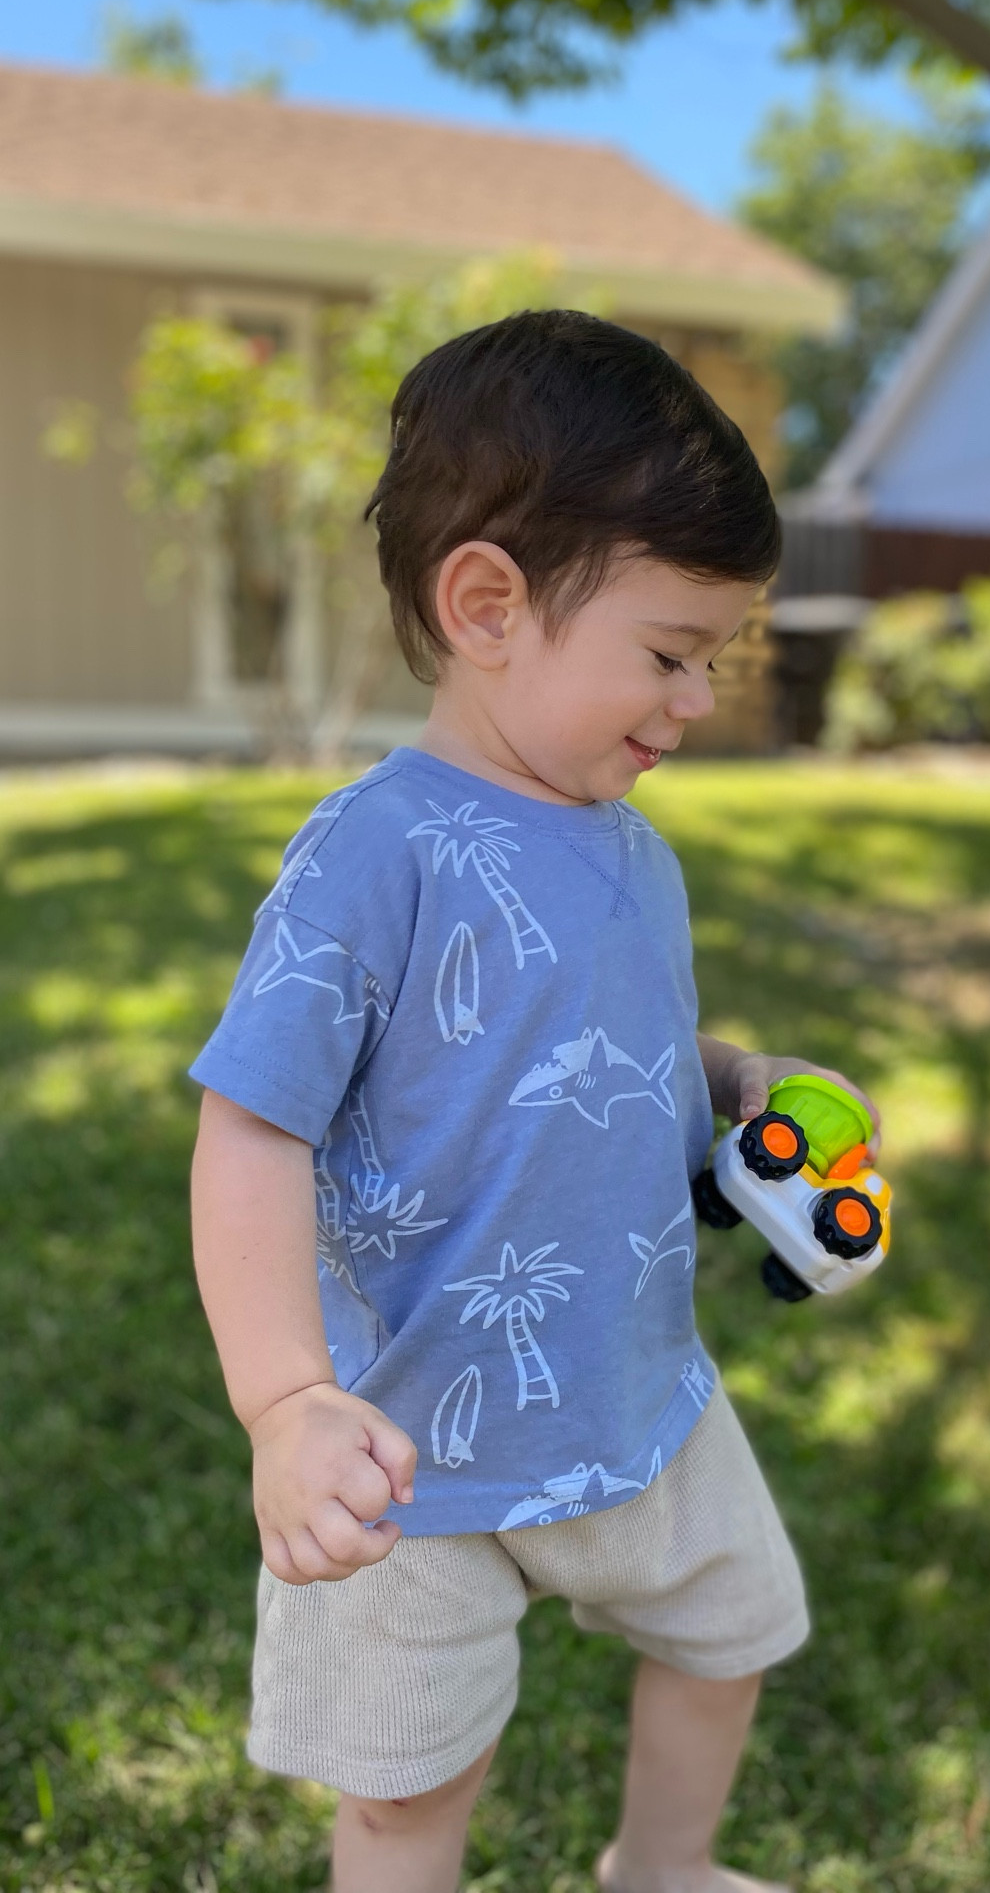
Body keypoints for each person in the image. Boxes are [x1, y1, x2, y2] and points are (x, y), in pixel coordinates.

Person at [188, 311, 878, 1893]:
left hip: (634, 1393)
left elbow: (627, 1050)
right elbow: (253, 1126)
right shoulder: (374, 855)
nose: (696, 701)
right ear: (489, 603)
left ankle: (663, 1869)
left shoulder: (636, 850)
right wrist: (287, 1404)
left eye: (717, 660)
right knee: (410, 1786)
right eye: (669, 654)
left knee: (734, 1632)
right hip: (403, 1448)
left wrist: (748, 1092)